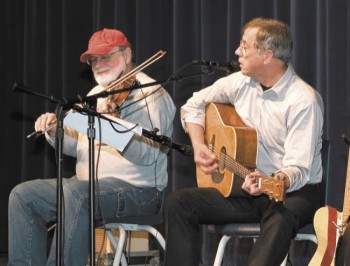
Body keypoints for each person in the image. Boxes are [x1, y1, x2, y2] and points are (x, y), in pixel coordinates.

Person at [164, 17, 324, 266]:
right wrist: (199, 146)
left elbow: (298, 168)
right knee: (178, 203)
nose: (237, 52)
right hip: (246, 188)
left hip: (293, 191)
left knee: (280, 215)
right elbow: (194, 105)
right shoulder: (240, 82)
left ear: (267, 55)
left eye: (245, 46)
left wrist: (271, 181)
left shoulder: (303, 100)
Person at [8, 28, 175, 266]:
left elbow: (150, 153)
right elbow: (77, 145)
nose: (98, 64)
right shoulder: (95, 94)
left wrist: (112, 125)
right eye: (94, 59)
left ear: (127, 55)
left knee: (77, 195)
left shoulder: (151, 94)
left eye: (106, 56)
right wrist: (56, 133)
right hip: (86, 187)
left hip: (140, 191)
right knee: (23, 196)